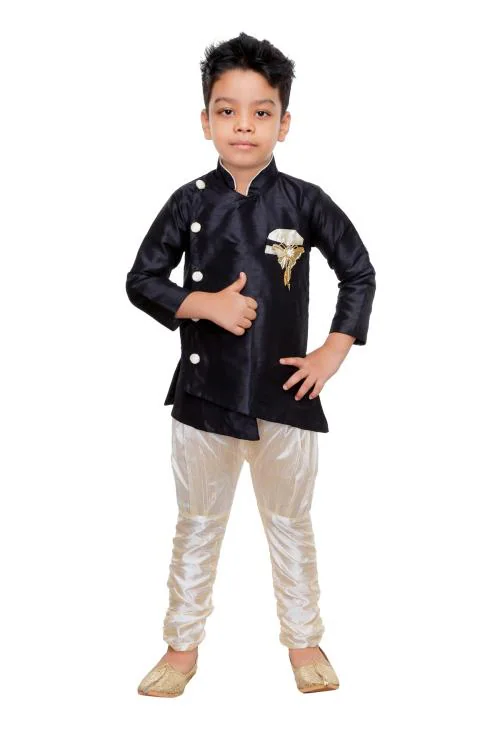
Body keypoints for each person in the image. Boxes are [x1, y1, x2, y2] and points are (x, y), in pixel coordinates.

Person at [126, 31, 376, 697]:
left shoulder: (305, 201)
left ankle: (305, 642)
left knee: (290, 524)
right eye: (227, 110)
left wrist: (332, 350)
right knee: (197, 527)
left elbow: (358, 272)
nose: (243, 125)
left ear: (283, 123)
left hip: (286, 390)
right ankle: (180, 648)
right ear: (205, 119)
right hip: (204, 394)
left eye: (261, 111)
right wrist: (201, 304)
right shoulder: (189, 201)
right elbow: (142, 280)